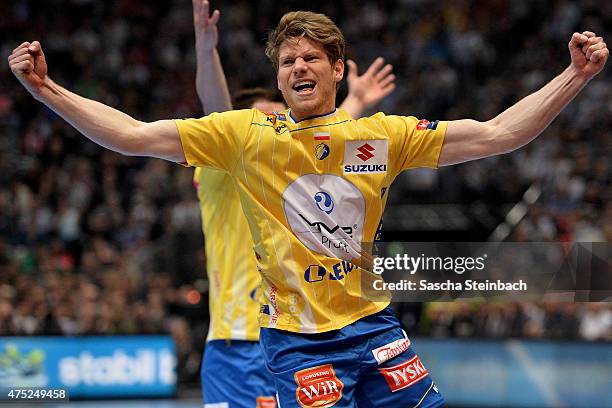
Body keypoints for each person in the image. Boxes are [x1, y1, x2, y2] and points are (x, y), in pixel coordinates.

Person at [9, 9, 607, 406]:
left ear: (336, 69)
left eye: (310, 58)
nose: (298, 67)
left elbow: (500, 133)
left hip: (375, 327)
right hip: (297, 341)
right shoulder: (245, 136)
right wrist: (48, 90)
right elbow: (133, 135)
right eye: (287, 61)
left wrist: (574, 77)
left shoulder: (379, 136)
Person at [191, 1, 395, 406]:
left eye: (277, 120)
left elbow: (320, 139)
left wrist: (355, 100)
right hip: (240, 343)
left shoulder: (287, 163)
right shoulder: (230, 160)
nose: (273, 128)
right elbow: (217, 110)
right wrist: (206, 51)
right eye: (263, 121)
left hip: (304, 337)